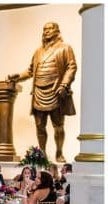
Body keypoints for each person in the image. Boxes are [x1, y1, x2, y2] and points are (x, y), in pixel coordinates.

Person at [8, 22, 77, 161]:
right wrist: (18, 77)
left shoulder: (65, 48)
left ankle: (59, 152)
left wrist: (64, 85)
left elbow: (72, 67)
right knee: (40, 126)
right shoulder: (38, 51)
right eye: (44, 29)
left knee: (58, 125)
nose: (46, 31)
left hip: (55, 90)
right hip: (39, 92)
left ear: (57, 31)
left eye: (50, 29)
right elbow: (30, 70)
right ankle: (43, 154)